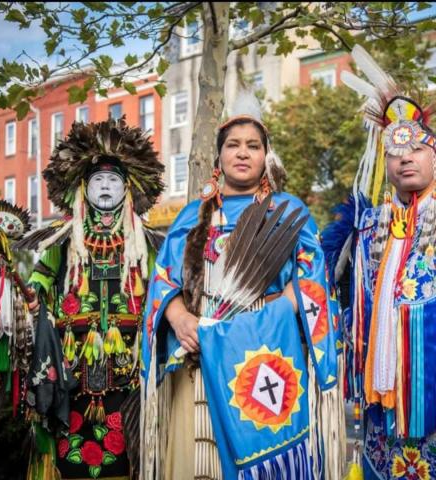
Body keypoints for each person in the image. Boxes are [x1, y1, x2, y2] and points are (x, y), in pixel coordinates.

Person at [140, 94, 345, 480]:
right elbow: (163, 276)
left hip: (268, 352)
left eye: (253, 145)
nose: (242, 153)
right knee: (203, 460)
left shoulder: (288, 212)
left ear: (266, 155)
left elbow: (312, 274)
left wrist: (281, 310)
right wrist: (180, 316)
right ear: (218, 158)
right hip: (201, 354)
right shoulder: (191, 217)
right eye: (233, 145)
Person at [20, 117, 164, 479]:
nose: (104, 187)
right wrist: (33, 295)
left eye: (112, 180)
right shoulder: (65, 237)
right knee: (71, 453)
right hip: (72, 367)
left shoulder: (144, 241)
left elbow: (162, 286)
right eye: (97, 180)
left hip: (129, 368)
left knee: (127, 449)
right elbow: (41, 276)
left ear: (127, 189)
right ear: (83, 189)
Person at [326, 45, 436, 479]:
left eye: (417, 147)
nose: (405, 156)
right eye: (394, 149)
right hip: (379, 419)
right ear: (383, 162)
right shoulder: (364, 229)